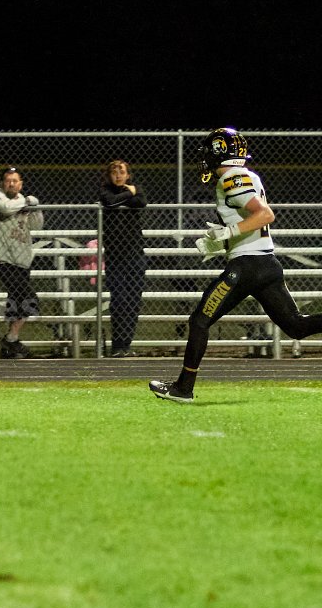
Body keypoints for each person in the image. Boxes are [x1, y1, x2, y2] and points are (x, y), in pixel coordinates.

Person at [150, 127, 322, 403]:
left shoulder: (230, 177)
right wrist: (223, 242)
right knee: (296, 327)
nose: (205, 158)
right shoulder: (247, 175)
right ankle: (183, 387)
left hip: (246, 267)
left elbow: (264, 215)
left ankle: (183, 388)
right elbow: (249, 219)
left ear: (219, 152)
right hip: (266, 263)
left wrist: (229, 233)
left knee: (199, 321)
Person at [0, 166, 43, 358]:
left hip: (23, 261)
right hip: (5, 260)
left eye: (15, 181)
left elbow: (37, 226)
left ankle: (10, 345)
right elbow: (6, 208)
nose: (11, 184)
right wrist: (26, 202)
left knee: (16, 302)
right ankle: (10, 339)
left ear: (21, 184)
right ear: (2, 183)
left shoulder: (23, 200)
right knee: (30, 299)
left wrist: (35, 208)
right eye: (8, 180)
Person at [99, 159, 148, 357]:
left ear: (128, 175)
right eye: (114, 172)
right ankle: (117, 345)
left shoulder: (137, 189)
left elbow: (141, 202)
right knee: (119, 299)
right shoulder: (106, 190)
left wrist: (132, 193)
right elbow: (110, 202)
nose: (118, 175)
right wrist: (130, 193)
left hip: (135, 254)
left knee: (133, 299)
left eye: (122, 172)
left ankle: (126, 344)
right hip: (115, 255)